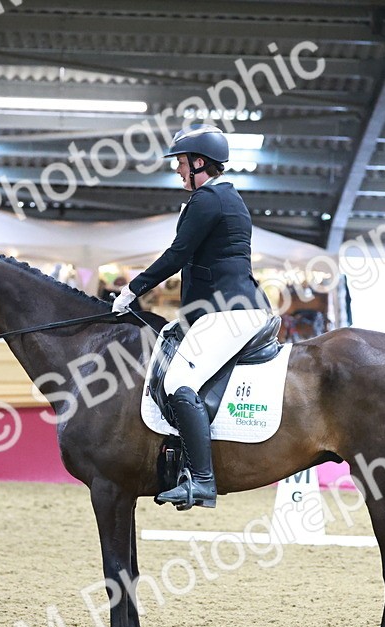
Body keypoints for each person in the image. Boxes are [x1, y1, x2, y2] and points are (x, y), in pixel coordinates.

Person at [112, 124, 272, 511]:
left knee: (180, 381)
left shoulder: (208, 198)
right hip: (217, 310)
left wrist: (132, 291)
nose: (178, 170)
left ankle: (202, 481)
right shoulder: (221, 197)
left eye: (181, 163)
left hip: (231, 311)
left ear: (199, 162)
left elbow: (177, 255)